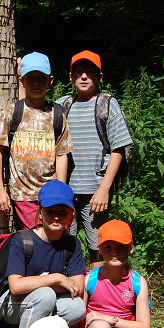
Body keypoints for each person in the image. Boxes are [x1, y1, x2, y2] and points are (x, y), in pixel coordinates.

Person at [56, 51, 133, 268]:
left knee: (98, 247)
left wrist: (104, 189)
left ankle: (96, 286)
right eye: (79, 72)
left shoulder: (107, 104)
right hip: (66, 191)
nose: (84, 77)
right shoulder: (62, 105)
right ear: (71, 76)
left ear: (100, 77)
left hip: (95, 192)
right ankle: (71, 285)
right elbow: (32, 109)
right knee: (63, 244)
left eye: (90, 72)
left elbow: (118, 149)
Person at [0, 180, 86, 328]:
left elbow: (77, 288)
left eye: (62, 212)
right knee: (45, 295)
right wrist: (57, 279)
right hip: (11, 304)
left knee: (77, 307)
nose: (56, 217)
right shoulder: (23, 240)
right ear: (39, 212)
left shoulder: (72, 244)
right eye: (50, 211)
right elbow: (15, 286)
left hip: (43, 303)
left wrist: (41, 284)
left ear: (71, 215)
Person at [0, 51, 73, 229]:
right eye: (31, 78)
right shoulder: (12, 112)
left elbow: (61, 155)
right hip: (23, 195)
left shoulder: (57, 114)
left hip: (51, 195)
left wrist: (61, 190)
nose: (36, 83)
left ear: (50, 81)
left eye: (41, 78)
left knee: (56, 237)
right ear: (22, 81)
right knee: (35, 239)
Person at [82, 219, 153, 328]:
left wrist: (108, 319)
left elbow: (144, 327)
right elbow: (81, 316)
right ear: (99, 249)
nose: (115, 253)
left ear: (131, 248)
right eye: (108, 247)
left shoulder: (137, 282)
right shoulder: (90, 279)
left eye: (121, 247)